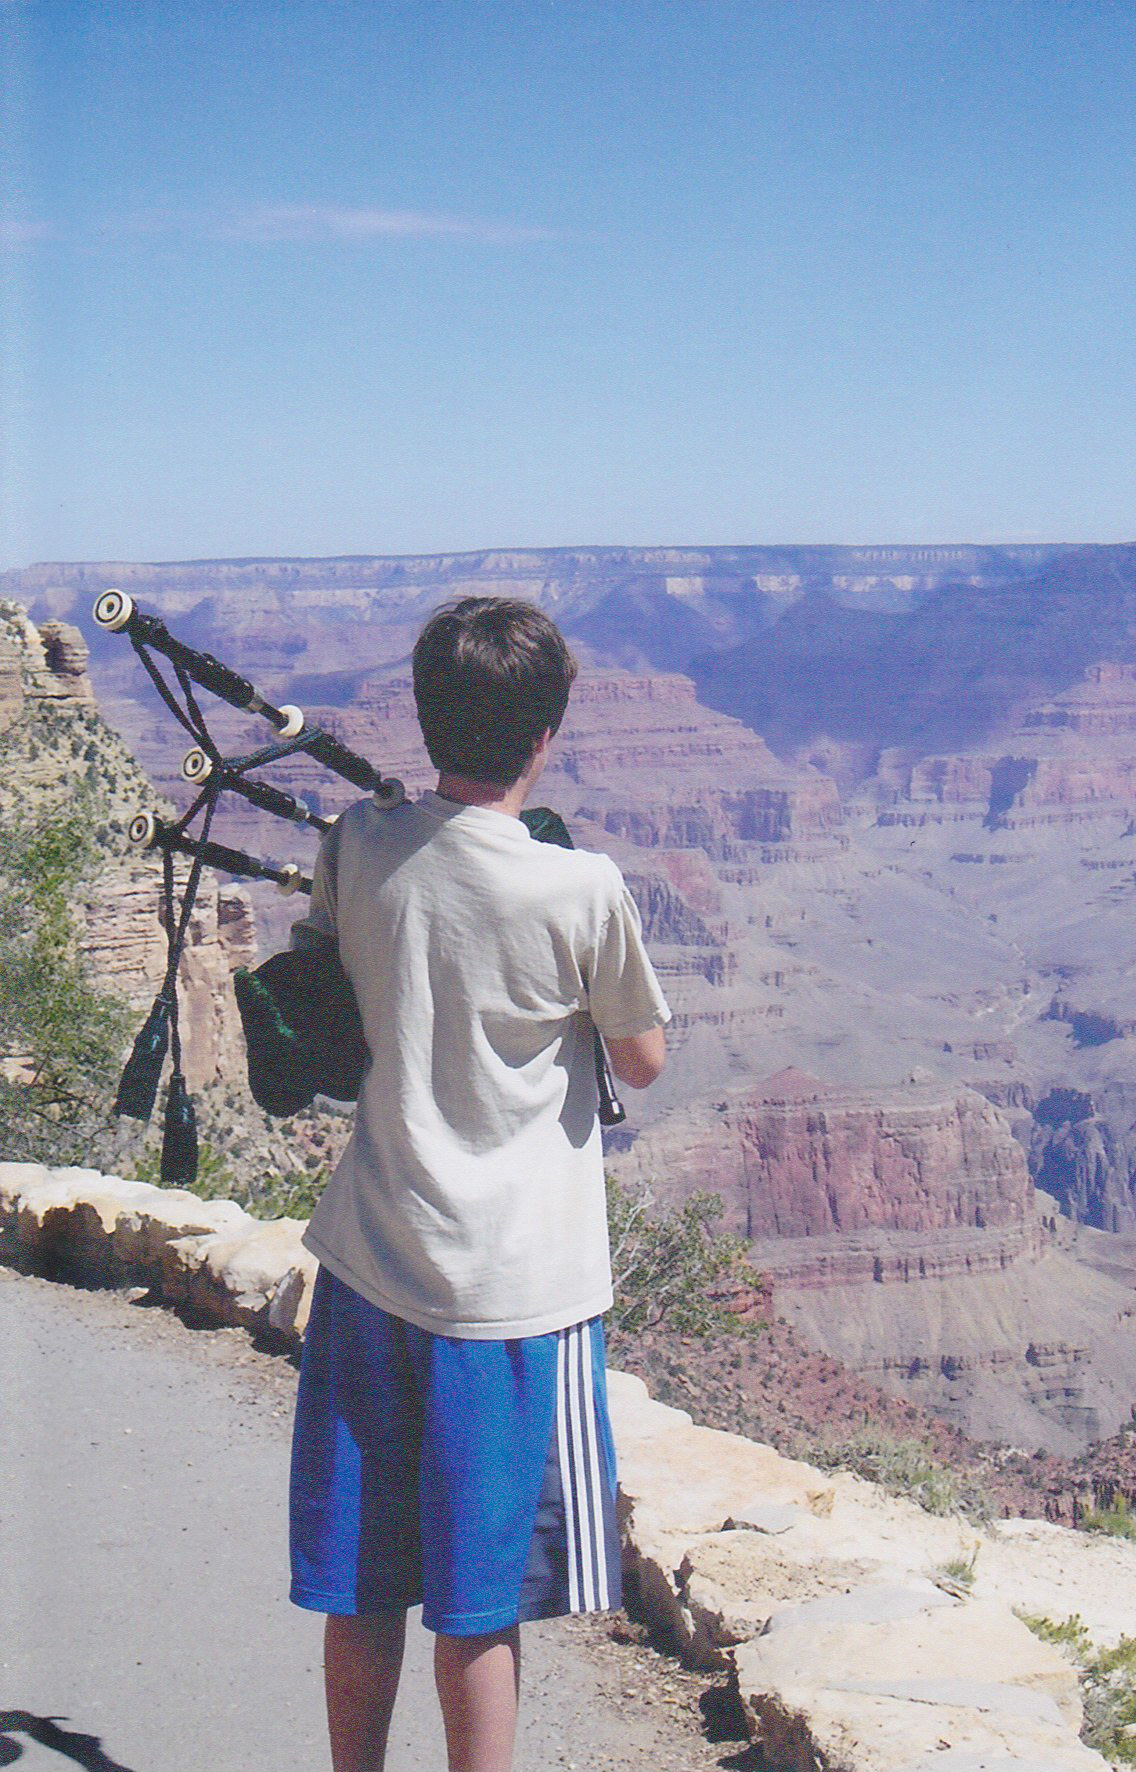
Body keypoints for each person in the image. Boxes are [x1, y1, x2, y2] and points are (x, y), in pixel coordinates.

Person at [287, 596, 670, 1772]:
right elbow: (643, 1059)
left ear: (420, 712)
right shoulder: (580, 885)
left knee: (363, 1584)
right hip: (510, 1299)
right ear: (546, 729)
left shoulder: (357, 840)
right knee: (477, 1598)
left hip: (370, 1264)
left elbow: (327, 969)